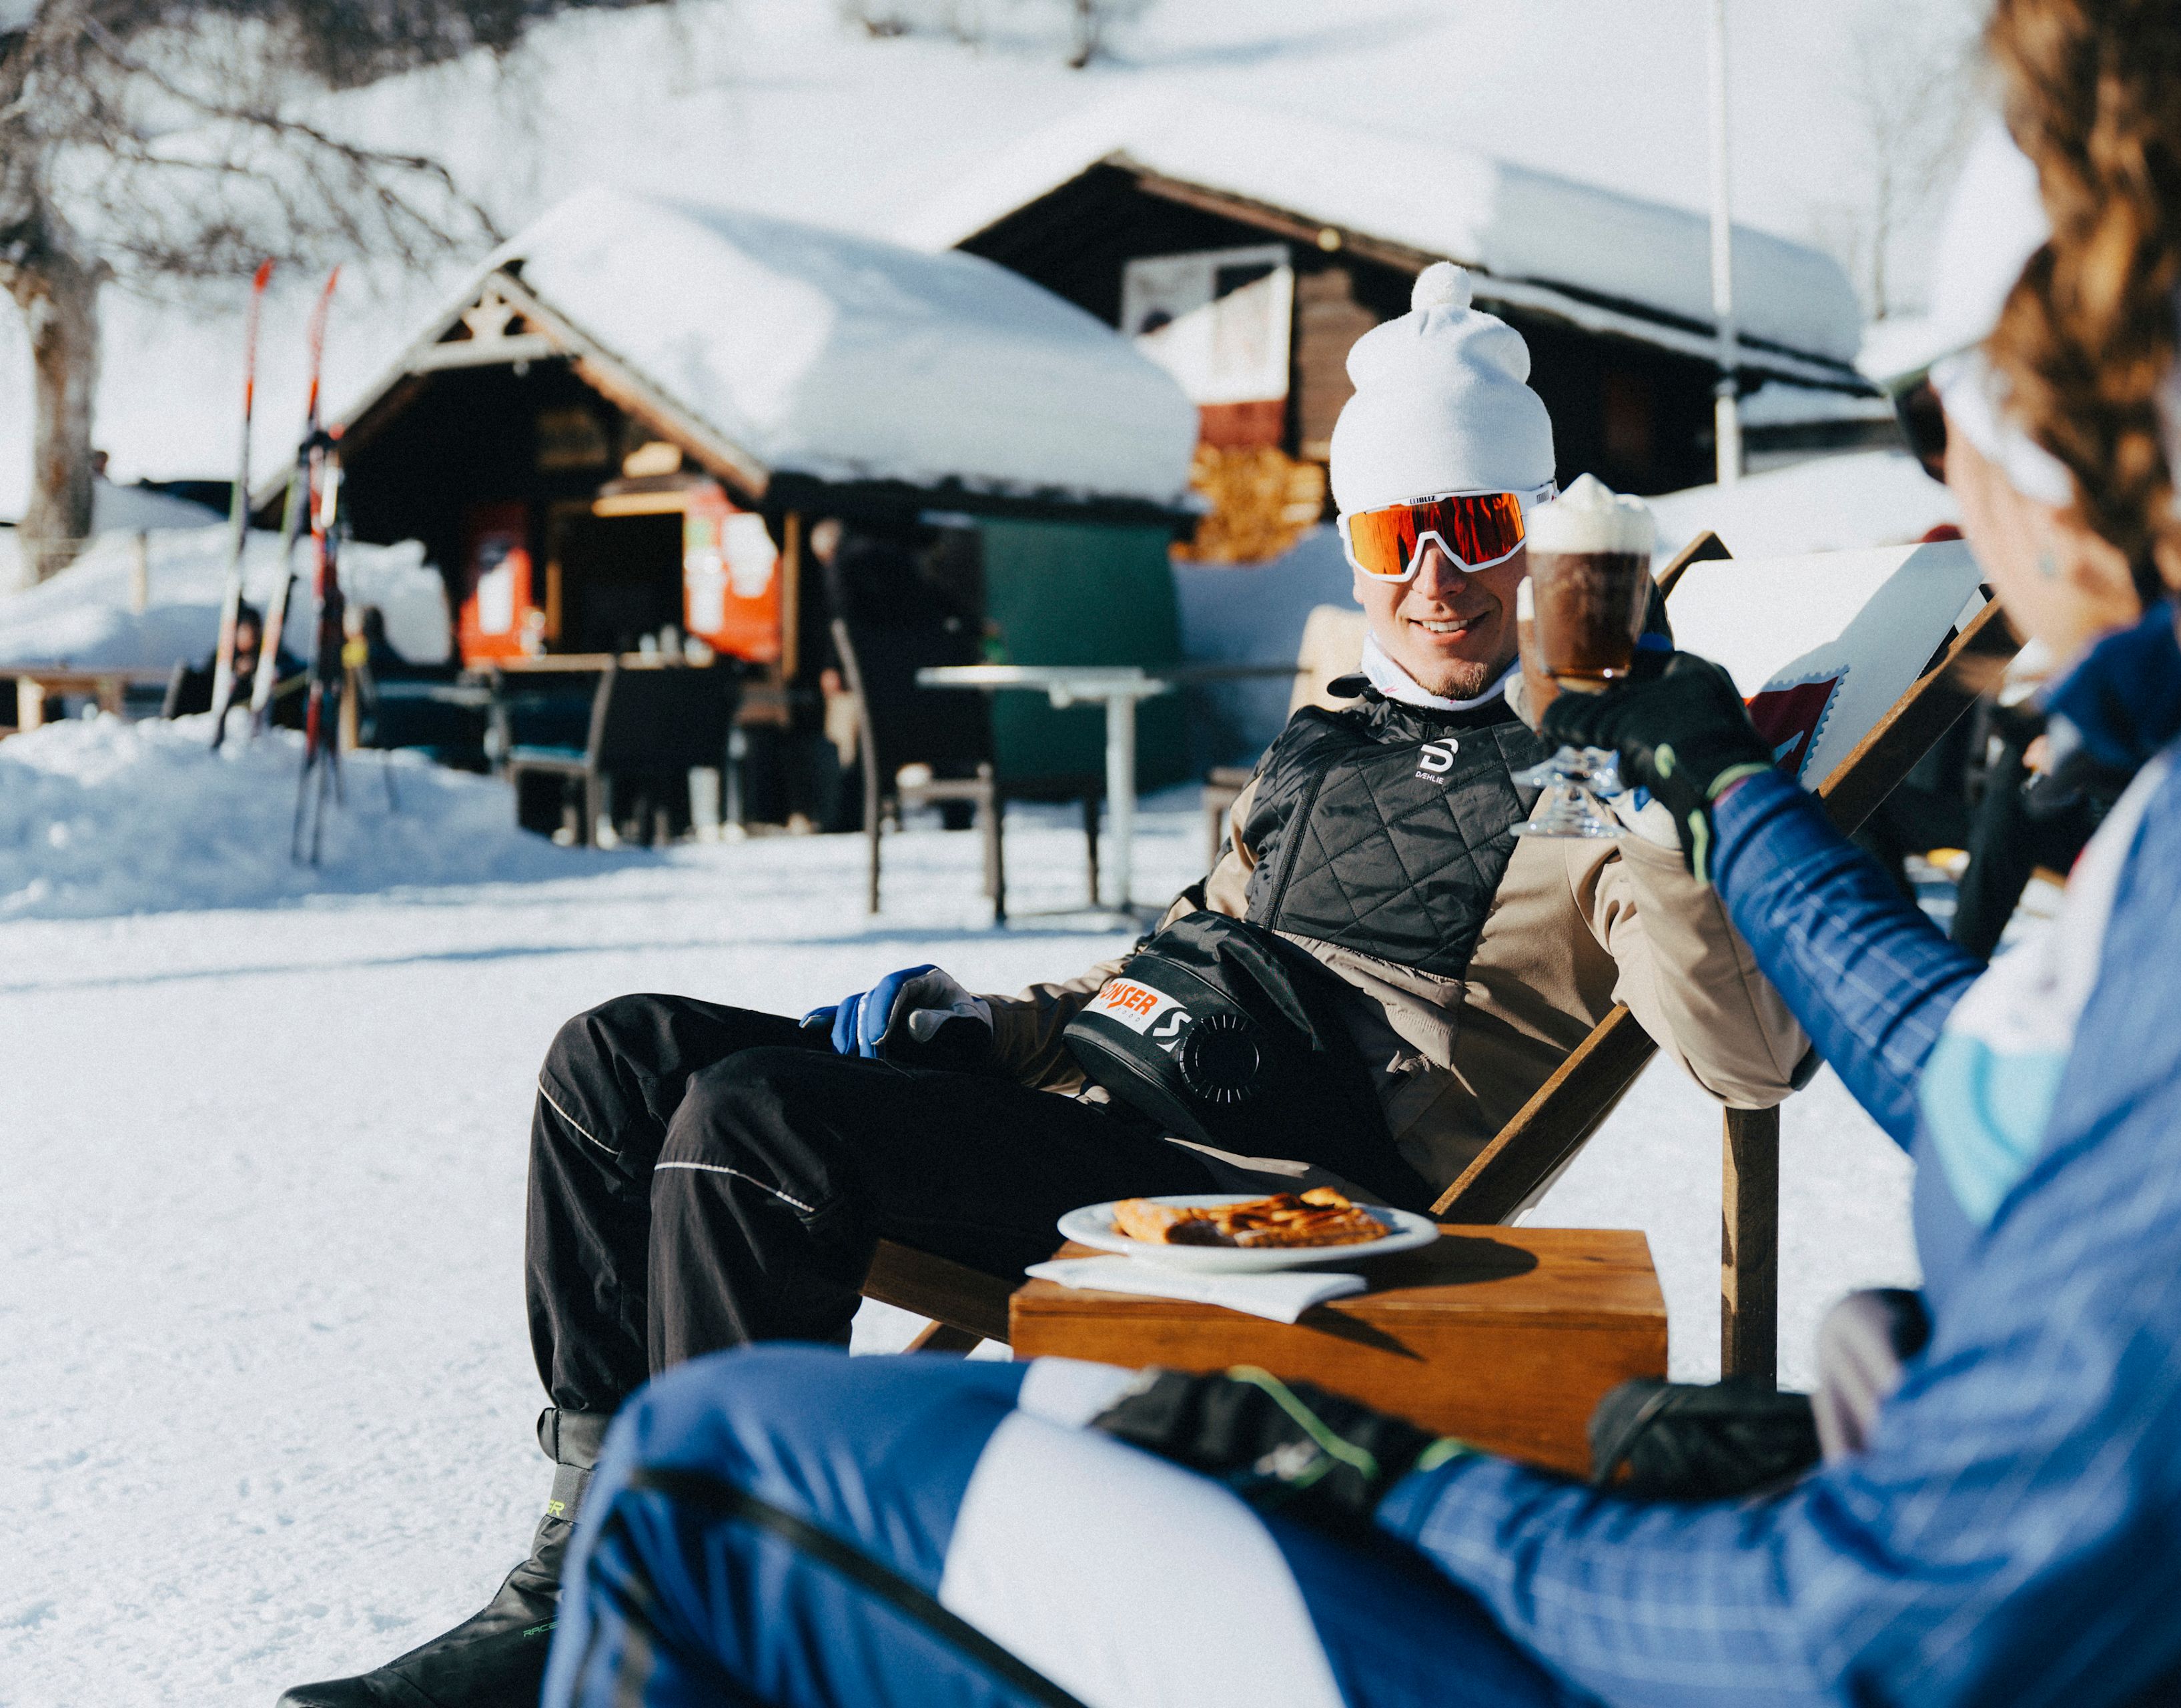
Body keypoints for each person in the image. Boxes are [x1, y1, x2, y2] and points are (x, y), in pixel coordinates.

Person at [533, 5, 2181, 1704]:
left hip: (1767, 1584)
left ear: (2093, 431)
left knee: (720, 1473)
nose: (1959, 488)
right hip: (1952, 1536)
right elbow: (1996, 1098)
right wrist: (1742, 802)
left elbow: (1886, 1629)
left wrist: (1393, 1482)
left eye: (1947, 420)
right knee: (667, 1114)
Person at [277, 263, 1807, 1708]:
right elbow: (1186, 946)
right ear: (1352, 540)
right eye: (1394, 529)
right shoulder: (1324, 729)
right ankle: (579, 1565)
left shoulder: (1603, 778)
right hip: (1105, 1090)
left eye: (1473, 524)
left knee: (756, 1129)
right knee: (614, 1062)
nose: (1434, 577)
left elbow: (1750, 1055)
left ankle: (726, 1627)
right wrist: (991, 1020)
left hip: (1262, 1187)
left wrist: (1668, 789)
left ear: (1530, 528)